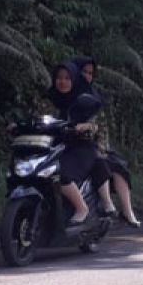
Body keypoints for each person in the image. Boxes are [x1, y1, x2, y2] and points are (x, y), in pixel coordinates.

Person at [70, 55, 141, 227]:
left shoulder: (94, 98)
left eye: (90, 73)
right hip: (62, 144)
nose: (87, 76)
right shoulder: (61, 92)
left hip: (91, 145)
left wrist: (100, 147)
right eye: (83, 72)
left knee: (117, 166)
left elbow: (101, 127)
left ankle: (126, 211)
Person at [43, 62, 114, 228]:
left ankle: (82, 208)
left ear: (74, 80)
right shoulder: (48, 99)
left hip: (79, 148)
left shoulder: (84, 99)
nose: (62, 82)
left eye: (67, 78)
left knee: (59, 174)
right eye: (59, 78)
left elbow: (95, 124)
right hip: (50, 147)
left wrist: (85, 126)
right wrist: (18, 125)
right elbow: (36, 118)